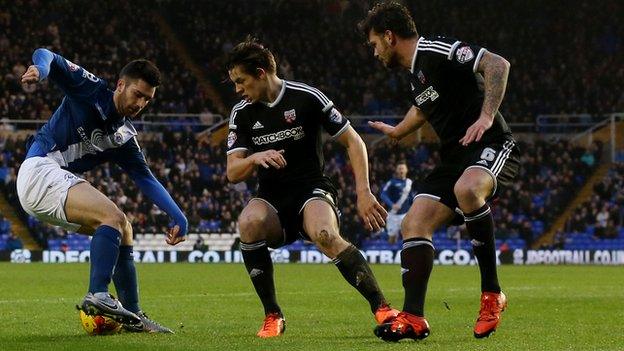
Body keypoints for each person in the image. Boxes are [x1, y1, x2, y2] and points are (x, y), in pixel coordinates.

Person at [359, 2, 520, 341]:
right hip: (454, 158)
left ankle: (492, 294)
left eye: (374, 43)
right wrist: (397, 132)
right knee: (412, 223)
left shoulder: (437, 49)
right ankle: (414, 318)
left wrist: (487, 116)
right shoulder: (415, 75)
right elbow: (420, 111)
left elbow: (497, 63)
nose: (374, 52)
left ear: (389, 37)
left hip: (490, 142)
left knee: (468, 188)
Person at [225, 39, 397, 338]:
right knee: (248, 223)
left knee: (325, 234)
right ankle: (272, 315)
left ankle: (382, 306)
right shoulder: (242, 113)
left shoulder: (306, 97)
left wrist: (363, 191)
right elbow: (232, 172)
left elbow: (353, 141)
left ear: (261, 72)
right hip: (272, 197)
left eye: (241, 81)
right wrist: (254, 157)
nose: (238, 89)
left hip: (311, 189)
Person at [18, 48, 188, 333]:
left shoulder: (123, 137)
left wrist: (179, 217)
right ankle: (97, 293)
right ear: (121, 85)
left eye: (147, 99)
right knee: (113, 217)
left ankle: (133, 316)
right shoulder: (91, 89)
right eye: (138, 94)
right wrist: (41, 70)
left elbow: (145, 178)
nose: (141, 103)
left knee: (125, 229)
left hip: (50, 185)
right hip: (39, 170)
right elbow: (47, 54)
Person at [380, 162, 413, 244]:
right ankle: (393, 252)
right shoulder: (391, 182)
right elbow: (383, 194)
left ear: (406, 170)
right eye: (399, 168)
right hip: (393, 215)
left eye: (403, 168)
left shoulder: (410, 183)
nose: (401, 170)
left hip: (406, 214)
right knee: (392, 239)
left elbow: (412, 197)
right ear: (396, 170)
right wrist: (391, 204)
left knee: (409, 236)